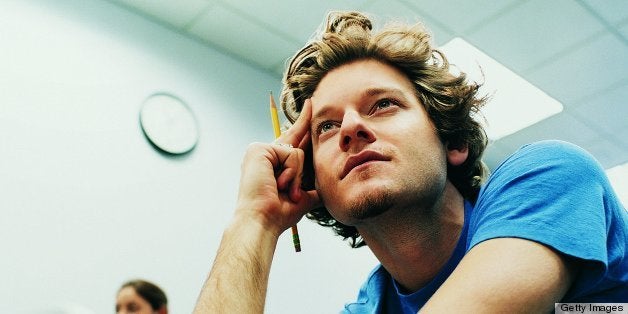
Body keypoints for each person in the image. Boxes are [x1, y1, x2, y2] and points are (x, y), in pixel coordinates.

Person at [193, 11, 628, 313]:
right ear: (316, 185)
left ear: (452, 141)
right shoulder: (368, 307)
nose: (349, 128)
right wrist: (255, 219)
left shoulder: (550, 177)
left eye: (382, 105)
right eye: (325, 127)